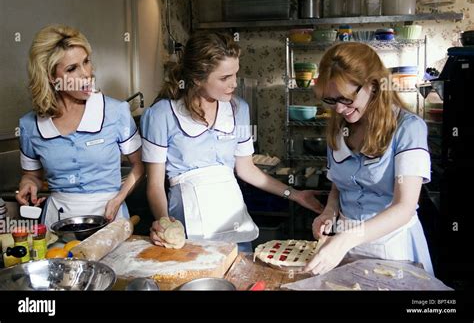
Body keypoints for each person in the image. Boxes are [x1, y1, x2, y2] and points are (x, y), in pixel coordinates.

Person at [142, 31, 323, 252]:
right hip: (187, 222)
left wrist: (294, 194)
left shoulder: (239, 110)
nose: (234, 84)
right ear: (197, 78)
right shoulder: (161, 115)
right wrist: (165, 224)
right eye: (224, 78)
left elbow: (246, 169)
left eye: (235, 74)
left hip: (232, 217)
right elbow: (154, 185)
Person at [304, 42, 434, 275]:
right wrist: (329, 211)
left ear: (373, 85)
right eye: (331, 100)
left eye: (345, 99)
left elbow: (404, 207)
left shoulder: (408, 129)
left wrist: (345, 239)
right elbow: (340, 182)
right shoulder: (339, 129)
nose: (339, 110)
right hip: (344, 249)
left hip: (392, 249)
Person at [16, 24, 144, 227]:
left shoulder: (116, 111)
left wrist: (119, 198)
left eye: (86, 62)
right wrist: (28, 184)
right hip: (57, 221)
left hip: (110, 215)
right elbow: (32, 175)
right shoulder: (30, 126)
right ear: (51, 77)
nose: (86, 74)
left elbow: (139, 165)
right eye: (72, 69)